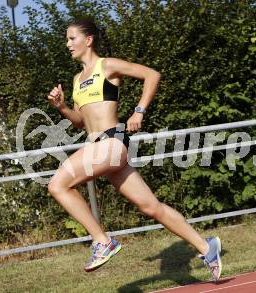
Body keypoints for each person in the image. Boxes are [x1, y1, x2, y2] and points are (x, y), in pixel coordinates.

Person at [46, 18, 222, 281]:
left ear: (88, 40)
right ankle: (207, 248)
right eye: (67, 39)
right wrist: (62, 108)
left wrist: (139, 110)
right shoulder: (76, 79)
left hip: (112, 142)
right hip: (97, 145)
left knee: (57, 185)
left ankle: (102, 241)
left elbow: (152, 75)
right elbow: (82, 121)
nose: (67, 43)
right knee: (151, 207)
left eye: (72, 38)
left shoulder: (107, 65)